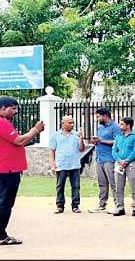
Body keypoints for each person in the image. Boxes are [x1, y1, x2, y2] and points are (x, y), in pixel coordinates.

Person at [0, 96, 45, 246]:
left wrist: (30, 136)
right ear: (3, 109)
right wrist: (35, 130)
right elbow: (19, 141)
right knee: (5, 203)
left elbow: (17, 143)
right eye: (13, 108)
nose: (16, 111)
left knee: (3, 202)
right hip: (7, 170)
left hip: (6, 168)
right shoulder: (2, 122)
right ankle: (1, 235)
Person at [49, 116, 85, 214]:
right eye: (69, 123)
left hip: (74, 164)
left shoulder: (76, 135)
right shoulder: (55, 135)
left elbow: (81, 149)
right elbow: (52, 151)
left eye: (72, 122)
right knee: (60, 186)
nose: (72, 125)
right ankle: (60, 206)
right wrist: (52, 165)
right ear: (63, 123)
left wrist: (81, 139)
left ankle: (75, 206)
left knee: (76, 186)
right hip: (61, 164)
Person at [89, 107, 121, 214]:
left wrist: (101, 141)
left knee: (113, 183)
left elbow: (118, 142)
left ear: (105, 116)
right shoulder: (100, 127)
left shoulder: (115, 127)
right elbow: (100, 140)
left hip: (110, 158)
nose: (97, 118)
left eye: (98, 116)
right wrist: (95, 141)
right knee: (102, 183)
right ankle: (102, 204)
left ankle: (118, 205)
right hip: (99, 158)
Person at [112, 117, 135, 217]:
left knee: (133, 184)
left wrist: (127, 160)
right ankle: (120, 207)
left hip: (131, 163)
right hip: (119, 164)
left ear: (128, 125)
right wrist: (119, 160)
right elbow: (114, 150)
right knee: (118, 186)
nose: (120, 126)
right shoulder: (118, 137)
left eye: (122, 124)